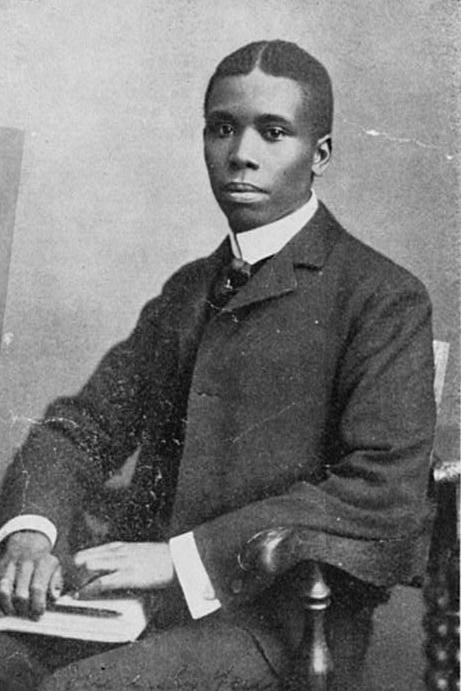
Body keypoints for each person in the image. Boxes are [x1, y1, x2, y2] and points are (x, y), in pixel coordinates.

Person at [0, 40, 436, 690]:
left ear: (319, 154)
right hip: (132, 609)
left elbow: (378, 490)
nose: (241, 155)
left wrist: (180, 560)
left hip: (281, 624)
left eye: (273, 132)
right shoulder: (187, 290)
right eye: (222, 128)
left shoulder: (380, 297)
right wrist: (30, 534)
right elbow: (78, 428)